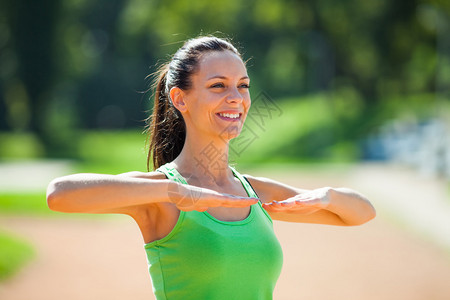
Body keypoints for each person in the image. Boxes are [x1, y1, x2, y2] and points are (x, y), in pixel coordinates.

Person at [47, 35, 376, 300]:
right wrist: (176, 192)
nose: (236, 97)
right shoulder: (160, 193)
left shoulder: (254, 193)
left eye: (243, 85)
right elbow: (59, 194)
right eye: (218, 86)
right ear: (180, 99)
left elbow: (362, 213)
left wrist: (327, 196)